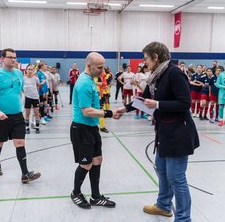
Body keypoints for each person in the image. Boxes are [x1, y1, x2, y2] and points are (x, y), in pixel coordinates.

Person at [117, 42, 199, 222]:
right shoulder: (156, 75)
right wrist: (124, 109)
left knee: (176, 178)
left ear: (156, 57)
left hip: (179, 133)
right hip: (164, 132)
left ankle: (184, 218)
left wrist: (158, 104)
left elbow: (185, 104)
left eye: (146, 58)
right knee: (161, 169)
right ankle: (163, 205)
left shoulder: (175, 73)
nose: (144, 62)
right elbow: (143, 99)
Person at [70, 52, 121, 209]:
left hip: (92, 128)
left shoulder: (91, 80)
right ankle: (76, 193)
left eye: (103, 67)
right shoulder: (84, 83)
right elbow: (86, 111)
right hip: (82, 129)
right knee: (86, 164)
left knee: (97, 160)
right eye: (99, 67)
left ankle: (96, 197)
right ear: (89, 65)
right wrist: (109, 113)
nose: (102, 70)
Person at [0, 48, 41, 183]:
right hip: (0, 117)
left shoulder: (18, 73)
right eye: (10, 57)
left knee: (20, 142)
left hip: (17, 116)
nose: (13, 59)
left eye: (14, 57)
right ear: (2, 58)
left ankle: (25, 174)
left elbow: (19, 92)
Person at [23, 64, 41, 134]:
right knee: (27, 113)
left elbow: (38, 85)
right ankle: (27, 127)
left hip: (35, 98)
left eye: (31, 69)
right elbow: (21, 88)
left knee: (36, 113)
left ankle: (37, 127)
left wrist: (35, 92)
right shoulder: (23, 79)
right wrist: (25, 93)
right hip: (27, 98)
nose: (30, 71)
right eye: (29, 69)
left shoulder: (36, 78)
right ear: (26, 70)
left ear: (33, 71)